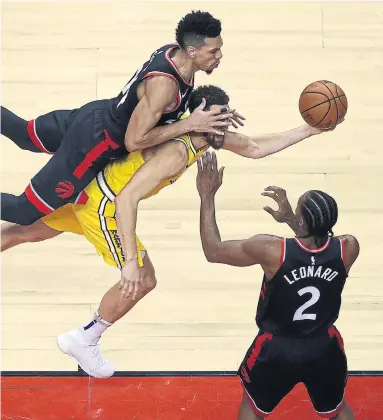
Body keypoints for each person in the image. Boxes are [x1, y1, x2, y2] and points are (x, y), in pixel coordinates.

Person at [1, 84, 338, 379]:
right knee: (144, 279)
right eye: (217, 120)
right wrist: (130, 260)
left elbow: (254, 147)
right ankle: (84, 338)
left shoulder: (207, 135)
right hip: (105, 206)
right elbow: (127, 199)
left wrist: (309, 131)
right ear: (199, 118)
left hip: (88, 188)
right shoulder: (177, 151)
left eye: (225, 119)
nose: (224, 128)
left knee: (24, 233)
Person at [1, 10, 238, 226]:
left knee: (24, 135)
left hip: (94, 115)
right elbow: (133, 142)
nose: (219, 56)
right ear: (192, 51)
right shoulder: (164, 85)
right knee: (23, 212)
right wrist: (190, 124)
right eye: (213, 51)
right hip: (92, 146)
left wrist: (216, 114)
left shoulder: (171, 53)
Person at [196, 152, 359, 420]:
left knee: (252, 409)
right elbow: (315, 245)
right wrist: (292, 220)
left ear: (303, 221)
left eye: (297, 207)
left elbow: (213, 251)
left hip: (276, 347)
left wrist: (207, 195)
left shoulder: (273, 250)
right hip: (324, 345)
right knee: (337, 409)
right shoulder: (349, 248)